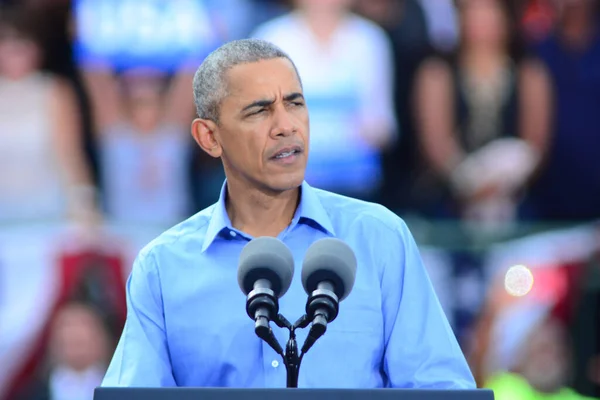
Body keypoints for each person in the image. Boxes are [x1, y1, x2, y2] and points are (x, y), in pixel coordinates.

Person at [101, 39, 475, 389]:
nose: (286, 126)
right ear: (209, 138)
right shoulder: (162, 267)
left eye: (295, 103)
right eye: (260, 110)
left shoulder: (379, 238)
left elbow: (440, 388)